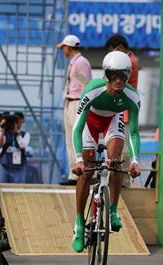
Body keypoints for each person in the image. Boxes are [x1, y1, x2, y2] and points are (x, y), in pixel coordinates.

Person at [70, 51, 141, 252]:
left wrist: (135, 161)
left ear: (128, 76)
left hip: (112, 119)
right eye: (113, 75)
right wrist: (78, 160)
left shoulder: (132, 97)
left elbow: (134, 133)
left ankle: (112, 211)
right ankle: (79, 224)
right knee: (88, 170)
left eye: (123, 75)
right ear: (106, 75)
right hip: (89, 123)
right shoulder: (92, 90)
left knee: (116, 162)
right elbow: (77, 127)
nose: (118, 80)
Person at [57, 34, 92, 185]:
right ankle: (74, 173)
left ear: (69, 47)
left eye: (64, 47)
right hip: (71, 101)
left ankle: (81, 173)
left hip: (78, 102)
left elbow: (86, 84)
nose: (63, 50)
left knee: (77, 137)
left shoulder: (81, 62)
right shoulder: (74, 62)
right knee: (70, 138)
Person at [105, 34, 139, 187]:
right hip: (118, 108)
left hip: (124, 109)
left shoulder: (129, 62)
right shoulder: (129, 59)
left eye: (112, 51)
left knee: (123, 147)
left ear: (119, 48)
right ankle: (116, 179)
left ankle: (123, 182)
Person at [0, 112, 30, 183]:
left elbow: (23, 145)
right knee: (2, 188)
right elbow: (0, 143)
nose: (17, 124)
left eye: (19, 122)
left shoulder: (24, 134)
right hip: (5, 165)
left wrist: (17, 133)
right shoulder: (5, 133)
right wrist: (3, 131)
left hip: (18, 168)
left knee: (18, 189)